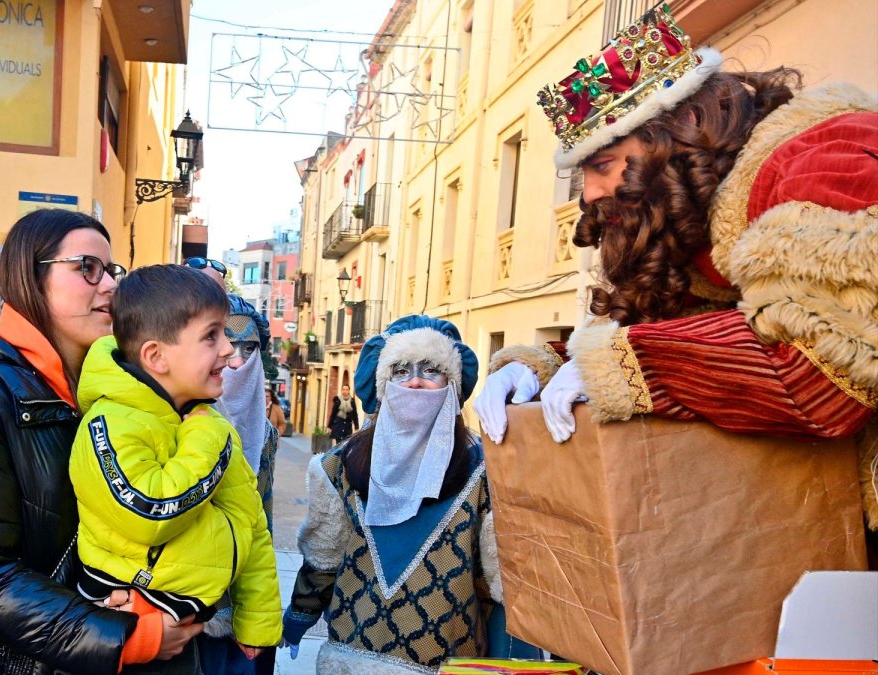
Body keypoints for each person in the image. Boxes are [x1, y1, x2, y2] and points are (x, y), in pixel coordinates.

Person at [476, 5, 878, 532]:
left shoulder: (827, 156)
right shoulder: (691, 219)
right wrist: (540, 369)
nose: (591, 194)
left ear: (682, 127)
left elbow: (825, 375)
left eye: (602, 164)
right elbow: (655, 330)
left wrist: (624, 365)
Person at [0, 210, 202, 673]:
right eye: (87, 268)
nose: (111, 286)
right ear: (32, 278)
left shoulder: (116, 393)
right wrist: (127, 637)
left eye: (112, 270)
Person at [69, 266, 282, 672]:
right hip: (132, 629)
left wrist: (257, 618)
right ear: (156, 356)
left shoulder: (207, 422)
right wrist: (205, 438)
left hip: (183, 631)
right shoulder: (111, 423)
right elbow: (150, 510)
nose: (229, 352)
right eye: (211, 336)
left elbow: (250, 522)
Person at [282, 315, 500, 673]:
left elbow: (497, 580)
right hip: (352, 656)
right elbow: (324, 558)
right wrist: (299, 617)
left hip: (450, 660)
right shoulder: (339, 465)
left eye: (431, 369)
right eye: (400, 370)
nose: (415, 381)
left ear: (453, 382)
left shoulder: (486, 471)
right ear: (383, 384)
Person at [201, 294, 282, 675]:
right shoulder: (180, 416)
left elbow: (261, 517)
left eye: (249, 348)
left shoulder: (266, 433)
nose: (237, 360)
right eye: (227, 345)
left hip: (249, 597)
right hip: (190, 608)